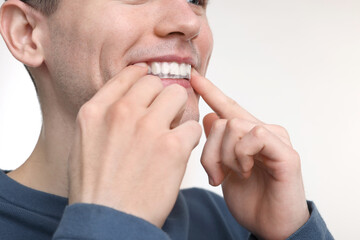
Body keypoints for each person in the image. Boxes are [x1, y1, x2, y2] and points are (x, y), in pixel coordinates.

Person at [0, 0, 333, 239]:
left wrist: (293, 234)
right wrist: (112, 225)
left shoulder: (230, 223)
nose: (189, 23)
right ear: (26, 33)